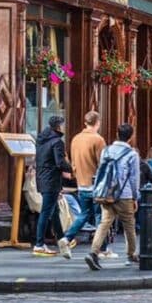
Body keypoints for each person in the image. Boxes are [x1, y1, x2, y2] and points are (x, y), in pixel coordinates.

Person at [85, 123, 141, 270]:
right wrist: (136, 197)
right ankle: (131, 253)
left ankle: (93, 252)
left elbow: (101, 171)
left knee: (104, 224)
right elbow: (134, 178)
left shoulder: (106, 151)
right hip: (125, 194)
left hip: (107, 193)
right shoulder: (132, 154)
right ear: (131, 137)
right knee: (129, 225)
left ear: (117, 134)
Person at [57, 111, 106, 259]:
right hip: (96, 183)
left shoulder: (75, 139)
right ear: (97, 122)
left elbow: (72, 162)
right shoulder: (98, 140)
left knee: (84, 214)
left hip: (81, 182)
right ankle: (101, 249)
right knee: (99, 216)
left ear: (85, 122)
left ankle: (66, 238)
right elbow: (102, 165)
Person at [33, 116, 71, 256]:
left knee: (54, 212)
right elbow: (59, 162)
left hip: (42, 179)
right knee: (46, 212)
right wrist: (72, 169)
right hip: (52, 181)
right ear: (58, 127)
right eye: (63, 125)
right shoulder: (57, 142)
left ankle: (62, 240)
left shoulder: (41, 141)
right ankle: (39, 244)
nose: (64, 128)